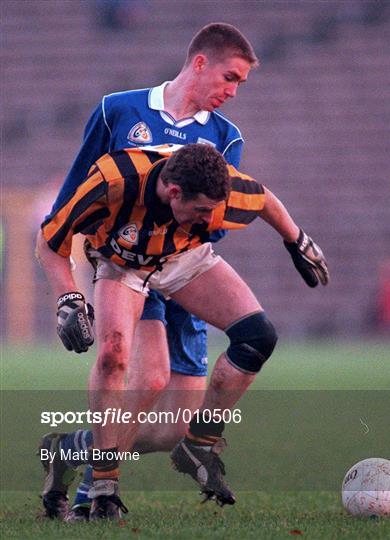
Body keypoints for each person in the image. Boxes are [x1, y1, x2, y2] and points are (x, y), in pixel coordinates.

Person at [36, 143, 329, 520]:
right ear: (174, 192)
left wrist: (297, 241)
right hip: (121, 265)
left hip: (181, 257)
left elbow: (263, 199)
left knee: (256, 337)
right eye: (203, 211)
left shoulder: (216, 192)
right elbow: (49, 240)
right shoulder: (114, 181)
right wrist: (69, 298)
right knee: (114, 356)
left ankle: (197, 445)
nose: (211, 220)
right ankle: (104, 486)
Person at [39, 22, 258, 521]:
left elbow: (214, 227)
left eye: (240, 84)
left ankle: (73, 448)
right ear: (199, 62)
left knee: (169, 431)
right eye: (230, 77)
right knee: (143, 375)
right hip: (129, 267)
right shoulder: (118, 110)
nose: (233, 91)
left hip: (184, 275)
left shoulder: (226, 137)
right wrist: (74, 285)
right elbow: (76, 195)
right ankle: (96, 494)